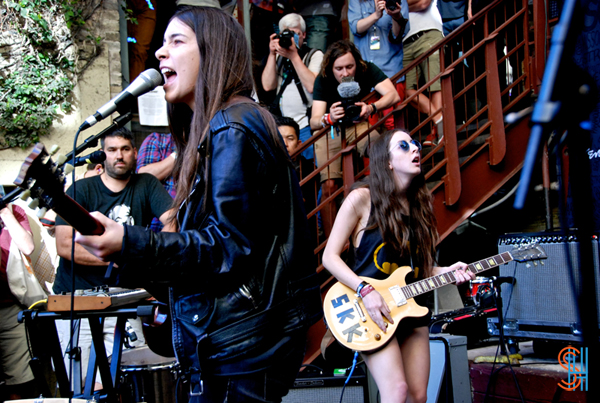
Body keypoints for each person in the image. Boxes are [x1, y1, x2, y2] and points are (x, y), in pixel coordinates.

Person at [75, 7, 322, 403]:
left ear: (213, 52)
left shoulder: (232, 126)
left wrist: (133, 243)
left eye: (177, 41)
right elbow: (202, 268)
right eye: (163, 43)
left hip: (242, 344)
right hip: (235, 343)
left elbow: (226, 249)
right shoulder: (217, 130)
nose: (159, 53)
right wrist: (125, 252)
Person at [322, 129, 474, 402]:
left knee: (418, 396)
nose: (415, 149)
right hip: (372, 309)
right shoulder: (362, 199)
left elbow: (418, 272)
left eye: (415, 144)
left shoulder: (420, 207)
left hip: (411, 307)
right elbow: (329, 257)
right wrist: (365, 291)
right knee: (397, 392)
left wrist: (449, 272)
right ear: (387, 161)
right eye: (404, 146)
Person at [53, 127, 175, 390]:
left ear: (134, 153)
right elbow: (64, 245)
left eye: (125, 149)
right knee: (83, 387)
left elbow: (172, 220)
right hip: (78, 297)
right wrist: (120, 259)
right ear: (102, 156)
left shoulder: (146, 184)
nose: (119, 156)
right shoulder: (81, 189)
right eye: (112, 150)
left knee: (135, 379)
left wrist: (151, 256)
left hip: (125, 295)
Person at [310, 40, 400, 236]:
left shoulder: (367, 69)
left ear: (357, 64)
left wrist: (371, 107)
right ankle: (332, 242)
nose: (345, 73)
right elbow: (314, 121)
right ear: (330, 67)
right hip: (331, 130)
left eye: (349, 67)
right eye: (339, 68)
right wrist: (328, 117)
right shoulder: (323, 78)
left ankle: (388, 219)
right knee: (329, 186)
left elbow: (393, 95)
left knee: (383, 158)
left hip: (358, 124)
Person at [262, 13, 324, 162]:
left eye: (295, 34)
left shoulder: (314, 55)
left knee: (312, 167)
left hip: (307, 125)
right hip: (284, 127)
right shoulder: (279, 57)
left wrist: (294, 56)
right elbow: (267, 85)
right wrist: (272, 54)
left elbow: (311, 86)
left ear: (303, 35)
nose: (290, 39)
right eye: (286, 34)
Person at [349, 0, 410, 130]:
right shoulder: (356, 1)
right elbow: (355, 27)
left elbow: (397, 36)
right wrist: (376, 15)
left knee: (393, 123)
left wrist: (396, 16)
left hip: (391, 70)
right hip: (365, 73)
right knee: (370, 126)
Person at [0, 194, 36, 401]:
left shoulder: (14, 212)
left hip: (10, 306)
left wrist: (5, 212)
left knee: (19, 381)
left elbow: (28, 247)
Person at [404, 0, 445, 146]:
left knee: (435, 85)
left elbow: (423, 3)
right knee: (406, 91)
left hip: (429, 33)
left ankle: (437, 133)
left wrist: (402, 6)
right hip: (404, 41)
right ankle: (439, 120)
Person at [136, 132, 177, 232]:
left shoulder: (212, 144)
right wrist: (180, 152)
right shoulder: (157, 140)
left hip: (197, 231)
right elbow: (143, 177)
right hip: (158, 228)